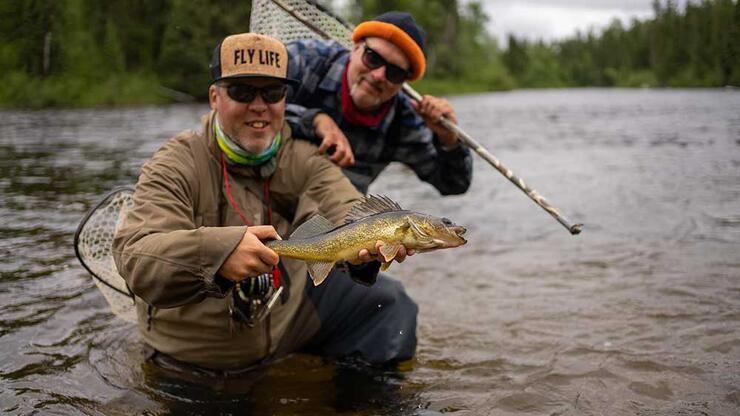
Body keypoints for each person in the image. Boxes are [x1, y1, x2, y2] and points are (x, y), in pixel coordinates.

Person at [112, 32, 418, 378]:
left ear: (286, 99)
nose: (259, 105)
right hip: (193, 358)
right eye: (242, 91)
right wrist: (221, 252)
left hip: (285, 328)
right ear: (214, 97)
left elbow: (345, 206)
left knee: (390, 305)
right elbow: (135, 257)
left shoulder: (304, 157)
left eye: (272, 93)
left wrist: (369, 247)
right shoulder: (176, 162)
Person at [285, 11, 473, 195]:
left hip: (337, 215)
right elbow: (256, 107)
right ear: (356, 47)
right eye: (373, 58)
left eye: (395, 73)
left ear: (403, 82)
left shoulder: (404, 121)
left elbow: (454, 184)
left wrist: (449, 140)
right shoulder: (306, 60)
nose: (378, 76)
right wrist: (315, 120)